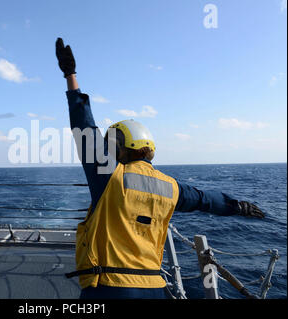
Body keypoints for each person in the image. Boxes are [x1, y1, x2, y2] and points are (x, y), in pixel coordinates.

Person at [55, 38, 265, 299]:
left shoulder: (110, 177)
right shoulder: (171, 187)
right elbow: (205, 200)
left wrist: (70, 76)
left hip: (111, 287)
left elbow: (83, 127)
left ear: (119, 147)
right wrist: (239, 206)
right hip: (155, 288)